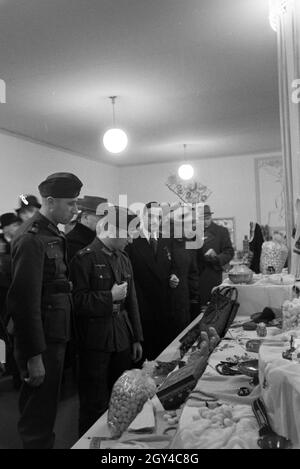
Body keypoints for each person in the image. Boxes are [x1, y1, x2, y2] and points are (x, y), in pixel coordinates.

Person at [7, 172, 83, 449]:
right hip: (42, 340)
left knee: (48, 407)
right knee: (38, 415)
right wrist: (33, 355)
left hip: (54, 333)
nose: (75, 210)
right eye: (71, 204)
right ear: (50, 202)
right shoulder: (32, 238)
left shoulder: (51, 233)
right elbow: (24, 303)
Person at [70, 205, 143, 436]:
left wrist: (137, 338)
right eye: (127, 234)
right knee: (94, 401)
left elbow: (132, 302)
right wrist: (108, 297)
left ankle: (116, 441)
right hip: (95, 340)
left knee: (120, 396)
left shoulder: (123, 259)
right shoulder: (84, 259)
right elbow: (76, 302)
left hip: (121, 336)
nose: (131, 241)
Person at [126, 202, 179, 360]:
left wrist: (174, 276)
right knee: (147, 356)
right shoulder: (133, 240)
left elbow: (172, 265)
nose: (154, 221)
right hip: (143, 308)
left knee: (164, 355)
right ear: (143, 216)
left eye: (159, 217)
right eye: (150, 216)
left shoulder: (165, 239)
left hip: (165, 305)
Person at [197, 205, 234, 306]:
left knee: (213, 305)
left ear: (211, 217)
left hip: (213, 273)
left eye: (207, 219)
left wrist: (216, 257)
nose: (205, 222)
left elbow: (229, 252)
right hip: (196, 274)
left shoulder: (221, 231)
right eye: (202, 219)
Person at [66, 195, 107, 260]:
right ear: (86, 217)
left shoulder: (96, 239)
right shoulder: (72, 242)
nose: (104, 221)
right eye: (101, 217)